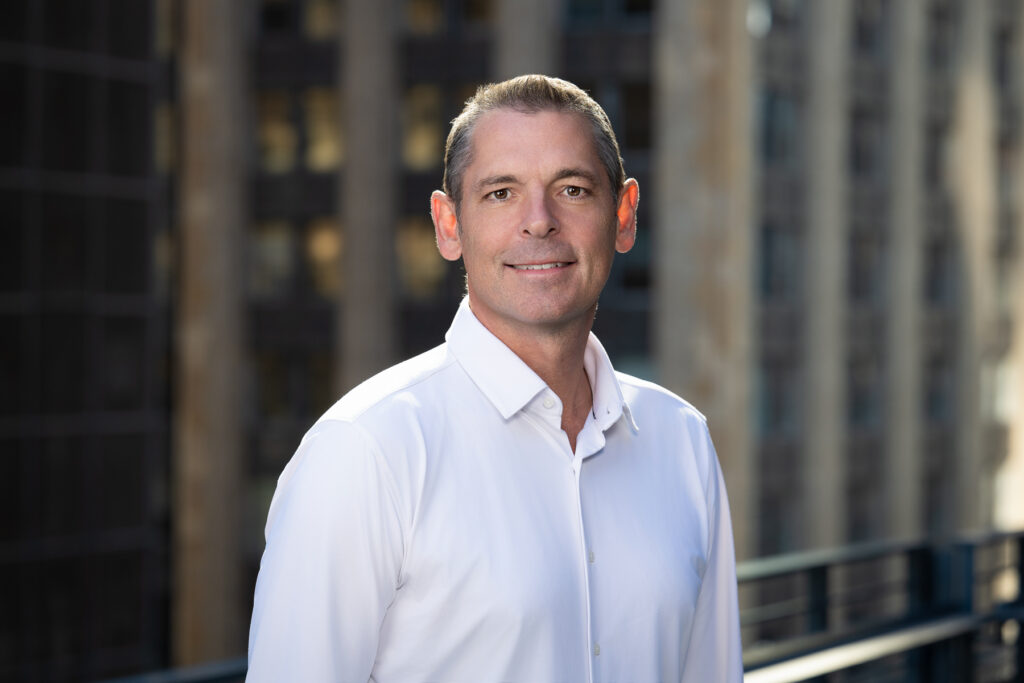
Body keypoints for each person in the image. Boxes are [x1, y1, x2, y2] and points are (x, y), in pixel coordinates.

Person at [246, 74, 742, 682]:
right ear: (448, 225)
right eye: (502, 193)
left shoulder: (682, 440)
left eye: (573, 189)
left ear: (624, 216)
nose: (539, 221)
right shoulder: (365, 451)